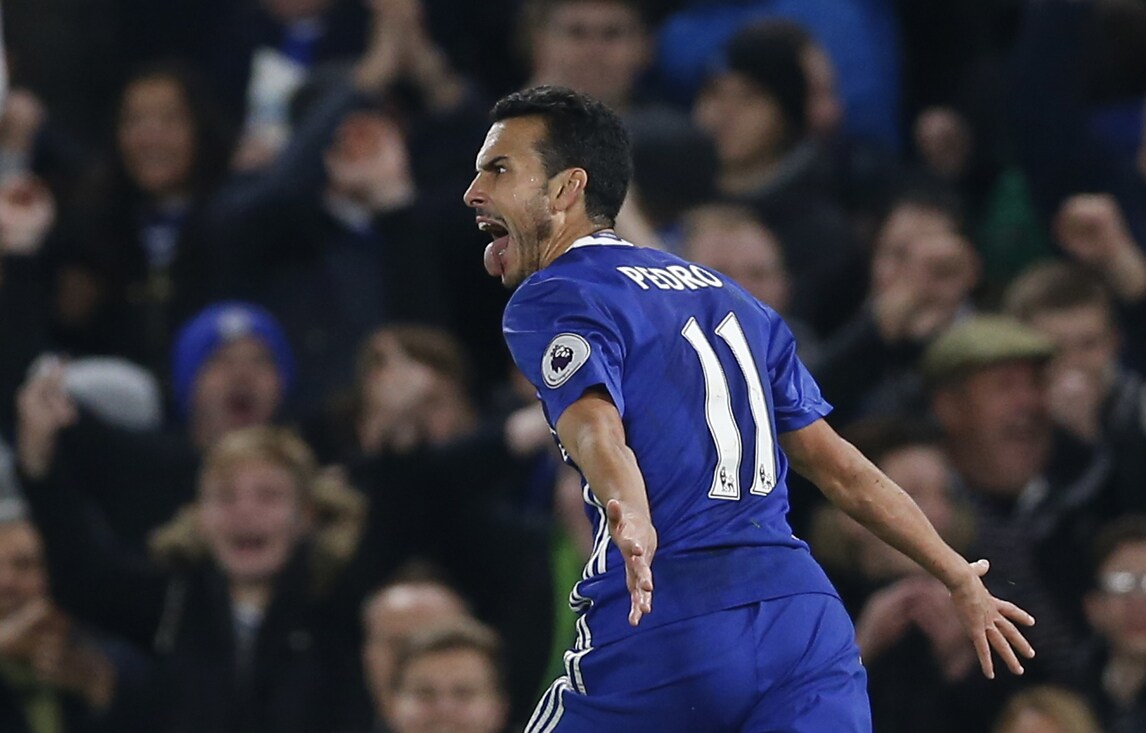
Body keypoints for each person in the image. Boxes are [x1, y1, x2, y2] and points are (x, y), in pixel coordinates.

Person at [463, 84, 1035, 732]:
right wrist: (956, 571)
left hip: (671, 614)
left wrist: (633, 514)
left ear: (567, 189)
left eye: (499, 169)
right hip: (804, 623)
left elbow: (597, 426)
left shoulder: (555, 294)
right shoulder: (733, 298)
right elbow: (840, 466)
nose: (473, 192)